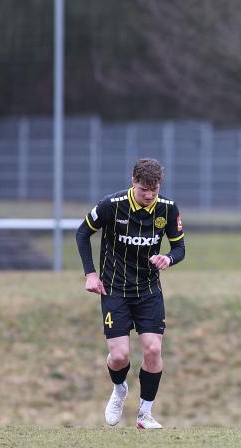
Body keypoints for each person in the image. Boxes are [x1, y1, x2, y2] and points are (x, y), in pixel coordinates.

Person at [75, 158, 185, 430]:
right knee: (120, 356)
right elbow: (82, 233)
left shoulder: (168, 209)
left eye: (154, 189)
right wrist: (90, 274)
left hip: (148, 290)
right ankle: (119, 389)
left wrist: (168, 259)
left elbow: (180, 248)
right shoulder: (111, 205)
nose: (149, 195)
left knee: (153, 348)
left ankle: (145, 414)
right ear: (133, 181)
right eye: (143, 189)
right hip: (114, 289)